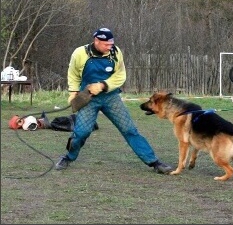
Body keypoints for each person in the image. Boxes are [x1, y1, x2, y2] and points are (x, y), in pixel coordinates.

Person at [55, 28, 174, 174]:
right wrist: (73, 93)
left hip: (111, 97)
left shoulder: (116, 52)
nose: (109, 46)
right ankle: (68, 157)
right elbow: (73, 74)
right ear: (96, 41)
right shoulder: (80, 53)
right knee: (81, 132)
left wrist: (103, 85)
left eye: (111, 43)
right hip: (88, 98)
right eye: (106, 44)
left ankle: (154, 162)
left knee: (129, 129)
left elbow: (120, 76)